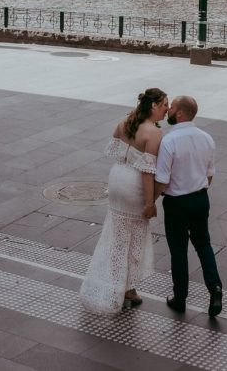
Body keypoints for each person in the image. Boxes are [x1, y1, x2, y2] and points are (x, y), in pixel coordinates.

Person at [80, 88, 168, 314]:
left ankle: (113, 282)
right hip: (134, 186)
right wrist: (150, 202)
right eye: (164, 105)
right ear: (154, 106)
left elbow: (116, 149)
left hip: (117, 178)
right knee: (135, 239)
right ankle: (126, 289)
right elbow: (147, 171)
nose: (167, 110)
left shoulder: (125, 122)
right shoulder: (154, 133)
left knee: (117, 235)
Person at [152, 96, 223, 318]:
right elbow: (209, 174)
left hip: (177, 203)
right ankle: (215, 289)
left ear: (180, 113)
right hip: (201, 199)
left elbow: (162, 179)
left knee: (179, 251)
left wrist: (151, 200)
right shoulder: (206, 138)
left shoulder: (169, 141)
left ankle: (180, 298)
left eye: (171, 107)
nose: (169, 110)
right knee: (204, 245)